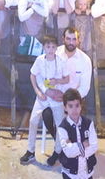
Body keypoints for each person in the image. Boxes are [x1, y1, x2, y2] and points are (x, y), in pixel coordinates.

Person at [22, 32, 68, 167]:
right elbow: (33, 75)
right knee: (33, 120)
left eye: (53, 47)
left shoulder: (61, 62)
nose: (51, 50)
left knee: (60, 125)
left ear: (56, 48)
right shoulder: (40, 60)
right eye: (48, 47)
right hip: (42, 96)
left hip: (56, 97)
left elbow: (67, 79)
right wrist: (38, 91)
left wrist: (57, 81)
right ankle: (30, 151)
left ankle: (57, 151)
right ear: (44, 47)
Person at [56, 88, 97, 179]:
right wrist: (83, 145)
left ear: (81, 106)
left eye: (77, 105)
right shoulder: (62, 127)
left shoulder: (89, 123)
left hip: (87, 172)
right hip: (70, 173)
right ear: (65, 108)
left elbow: (94, 146)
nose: (74, 110)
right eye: (70, 106)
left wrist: (74, 147)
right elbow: (68, 152)